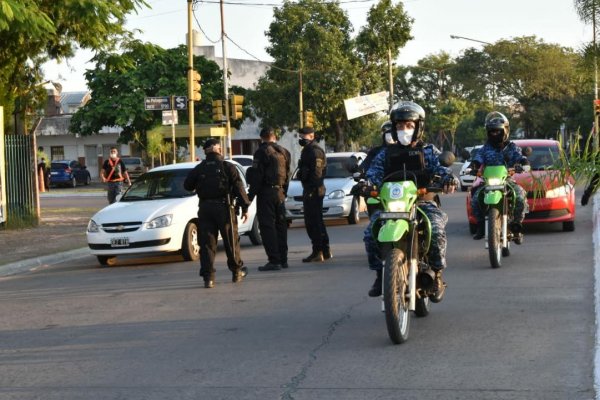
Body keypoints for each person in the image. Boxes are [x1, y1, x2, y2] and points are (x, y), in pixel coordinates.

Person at [364, 101, 456, 298]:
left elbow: (441, 169)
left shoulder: (429, 151)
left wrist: (448, 178)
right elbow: (373, 173)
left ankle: (437, 274)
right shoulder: (384, 153)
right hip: (391, 205)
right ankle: (381, 274)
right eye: (399, 126)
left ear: (418, 127)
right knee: (370, 233)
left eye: (409, 126)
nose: (403, 130)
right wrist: (367, 184)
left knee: (436, 229)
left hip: (422, 202)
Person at [183, 138, 251, 288]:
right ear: (217, 149)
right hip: (224, 208)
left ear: (206, 151)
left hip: (206, 209)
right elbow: (239, 188)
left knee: (207, 244)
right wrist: (245, 207)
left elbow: (187, 185)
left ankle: (209, 278)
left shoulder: (200, 168)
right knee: (231, 241)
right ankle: (236, 272)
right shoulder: (227, 166)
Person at [469, 111, 529, 240]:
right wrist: (473, 166)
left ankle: (517, 225)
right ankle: (480, 226)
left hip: (507, 181)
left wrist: (523, 163)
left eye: (497, 131)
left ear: (505, 131)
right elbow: (478, 158)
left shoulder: (512, 147)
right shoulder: (485, 148)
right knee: (474, 199)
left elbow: (519, 156)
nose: (494, 134)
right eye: (492, 131)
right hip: (488, 181)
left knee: (519, 196)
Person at [247, 127, 291, 271]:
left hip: (266, 193)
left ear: (262, 138)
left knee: (267, 227)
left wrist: (249, 198)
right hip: (280, 193)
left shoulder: (261, 152)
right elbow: (288, 175)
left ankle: (274, 260)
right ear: (274, 137)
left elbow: (256, 177)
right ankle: (283, 259)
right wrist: (284, 192)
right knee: (281, 226)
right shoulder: (285, 152)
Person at [297, 126, 331, 262]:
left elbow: (317, 174)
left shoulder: (314, 151)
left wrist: (311, 190)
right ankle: (324, 250)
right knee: (316, 221)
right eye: (300, 137)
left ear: (311, 136)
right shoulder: (308, 150)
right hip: (312, 189)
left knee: (313, 222)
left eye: (303, 137)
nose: (301, 139)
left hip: (314, 190)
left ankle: (318, 251)